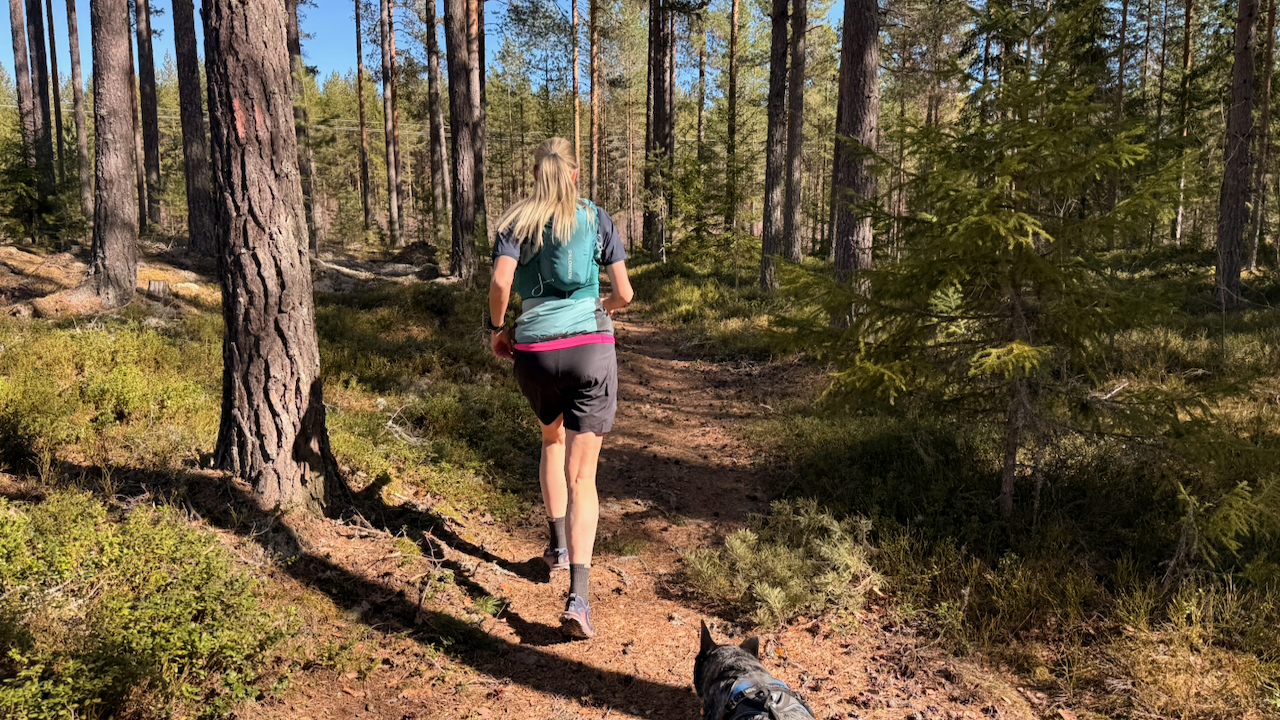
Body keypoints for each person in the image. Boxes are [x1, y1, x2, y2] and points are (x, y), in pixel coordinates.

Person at [488, 137, 633, 639]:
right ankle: (579, 600)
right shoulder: (596, 217)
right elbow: (625, 293)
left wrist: (498, 328)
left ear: (536, 175)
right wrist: (598, 312)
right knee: (583, 478)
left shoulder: (516, 221)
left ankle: (556, 547)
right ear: (574, 175)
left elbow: (503, 282)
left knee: (551, 441)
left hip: (533, 352)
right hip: (591, 349)